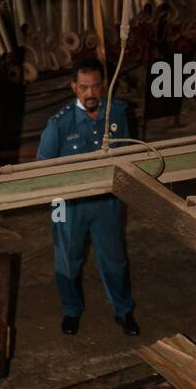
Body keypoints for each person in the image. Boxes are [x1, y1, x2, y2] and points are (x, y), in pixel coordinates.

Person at [37, 57, 139, 337]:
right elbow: (42, 167)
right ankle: (71, 311)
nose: (90, 93)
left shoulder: (116, 113)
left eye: (95, 87)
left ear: (103, 85)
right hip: (69, 205)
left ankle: (123, 310)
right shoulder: (59, 124)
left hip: (106, 201)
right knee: (68, 259)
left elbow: (126, 154)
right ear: (73, 87)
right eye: (84, 87)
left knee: (114, 258)